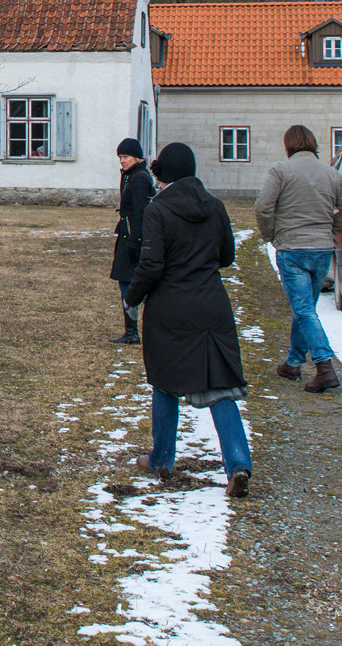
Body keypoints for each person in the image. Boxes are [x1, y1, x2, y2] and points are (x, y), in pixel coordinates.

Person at [125, 141, 253, 498]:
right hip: (212, 305)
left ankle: (162, 458)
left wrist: (131, 298)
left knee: (165, 383)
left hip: (170, 309)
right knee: (220, 386)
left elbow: (151, 265)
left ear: (163, 174)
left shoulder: (158, 210)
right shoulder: (216, 207)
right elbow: (226, 256)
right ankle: (238, 464)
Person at [254, 123, 342, 394]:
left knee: (303, 311)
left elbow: (262, 206)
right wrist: (329, 230)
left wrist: (272, 235)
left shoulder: (280, 171)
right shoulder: (331, 173)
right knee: (305, 310)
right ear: (314, 144)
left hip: (292, 250)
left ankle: (325, 367)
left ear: (288, 146)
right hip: (322, 251)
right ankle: (292, 363)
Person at [110, 137, 154, 345]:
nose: (122, 161)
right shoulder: (131, 176)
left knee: (131, 285)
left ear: (137, 157)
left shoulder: (139, 178)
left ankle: (133, 332)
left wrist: (135, 242)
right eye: (120, 157)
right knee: (126, 283)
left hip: (132, 237)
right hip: (127, 235)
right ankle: (131, 332)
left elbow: (140, 213)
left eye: (125, 156)